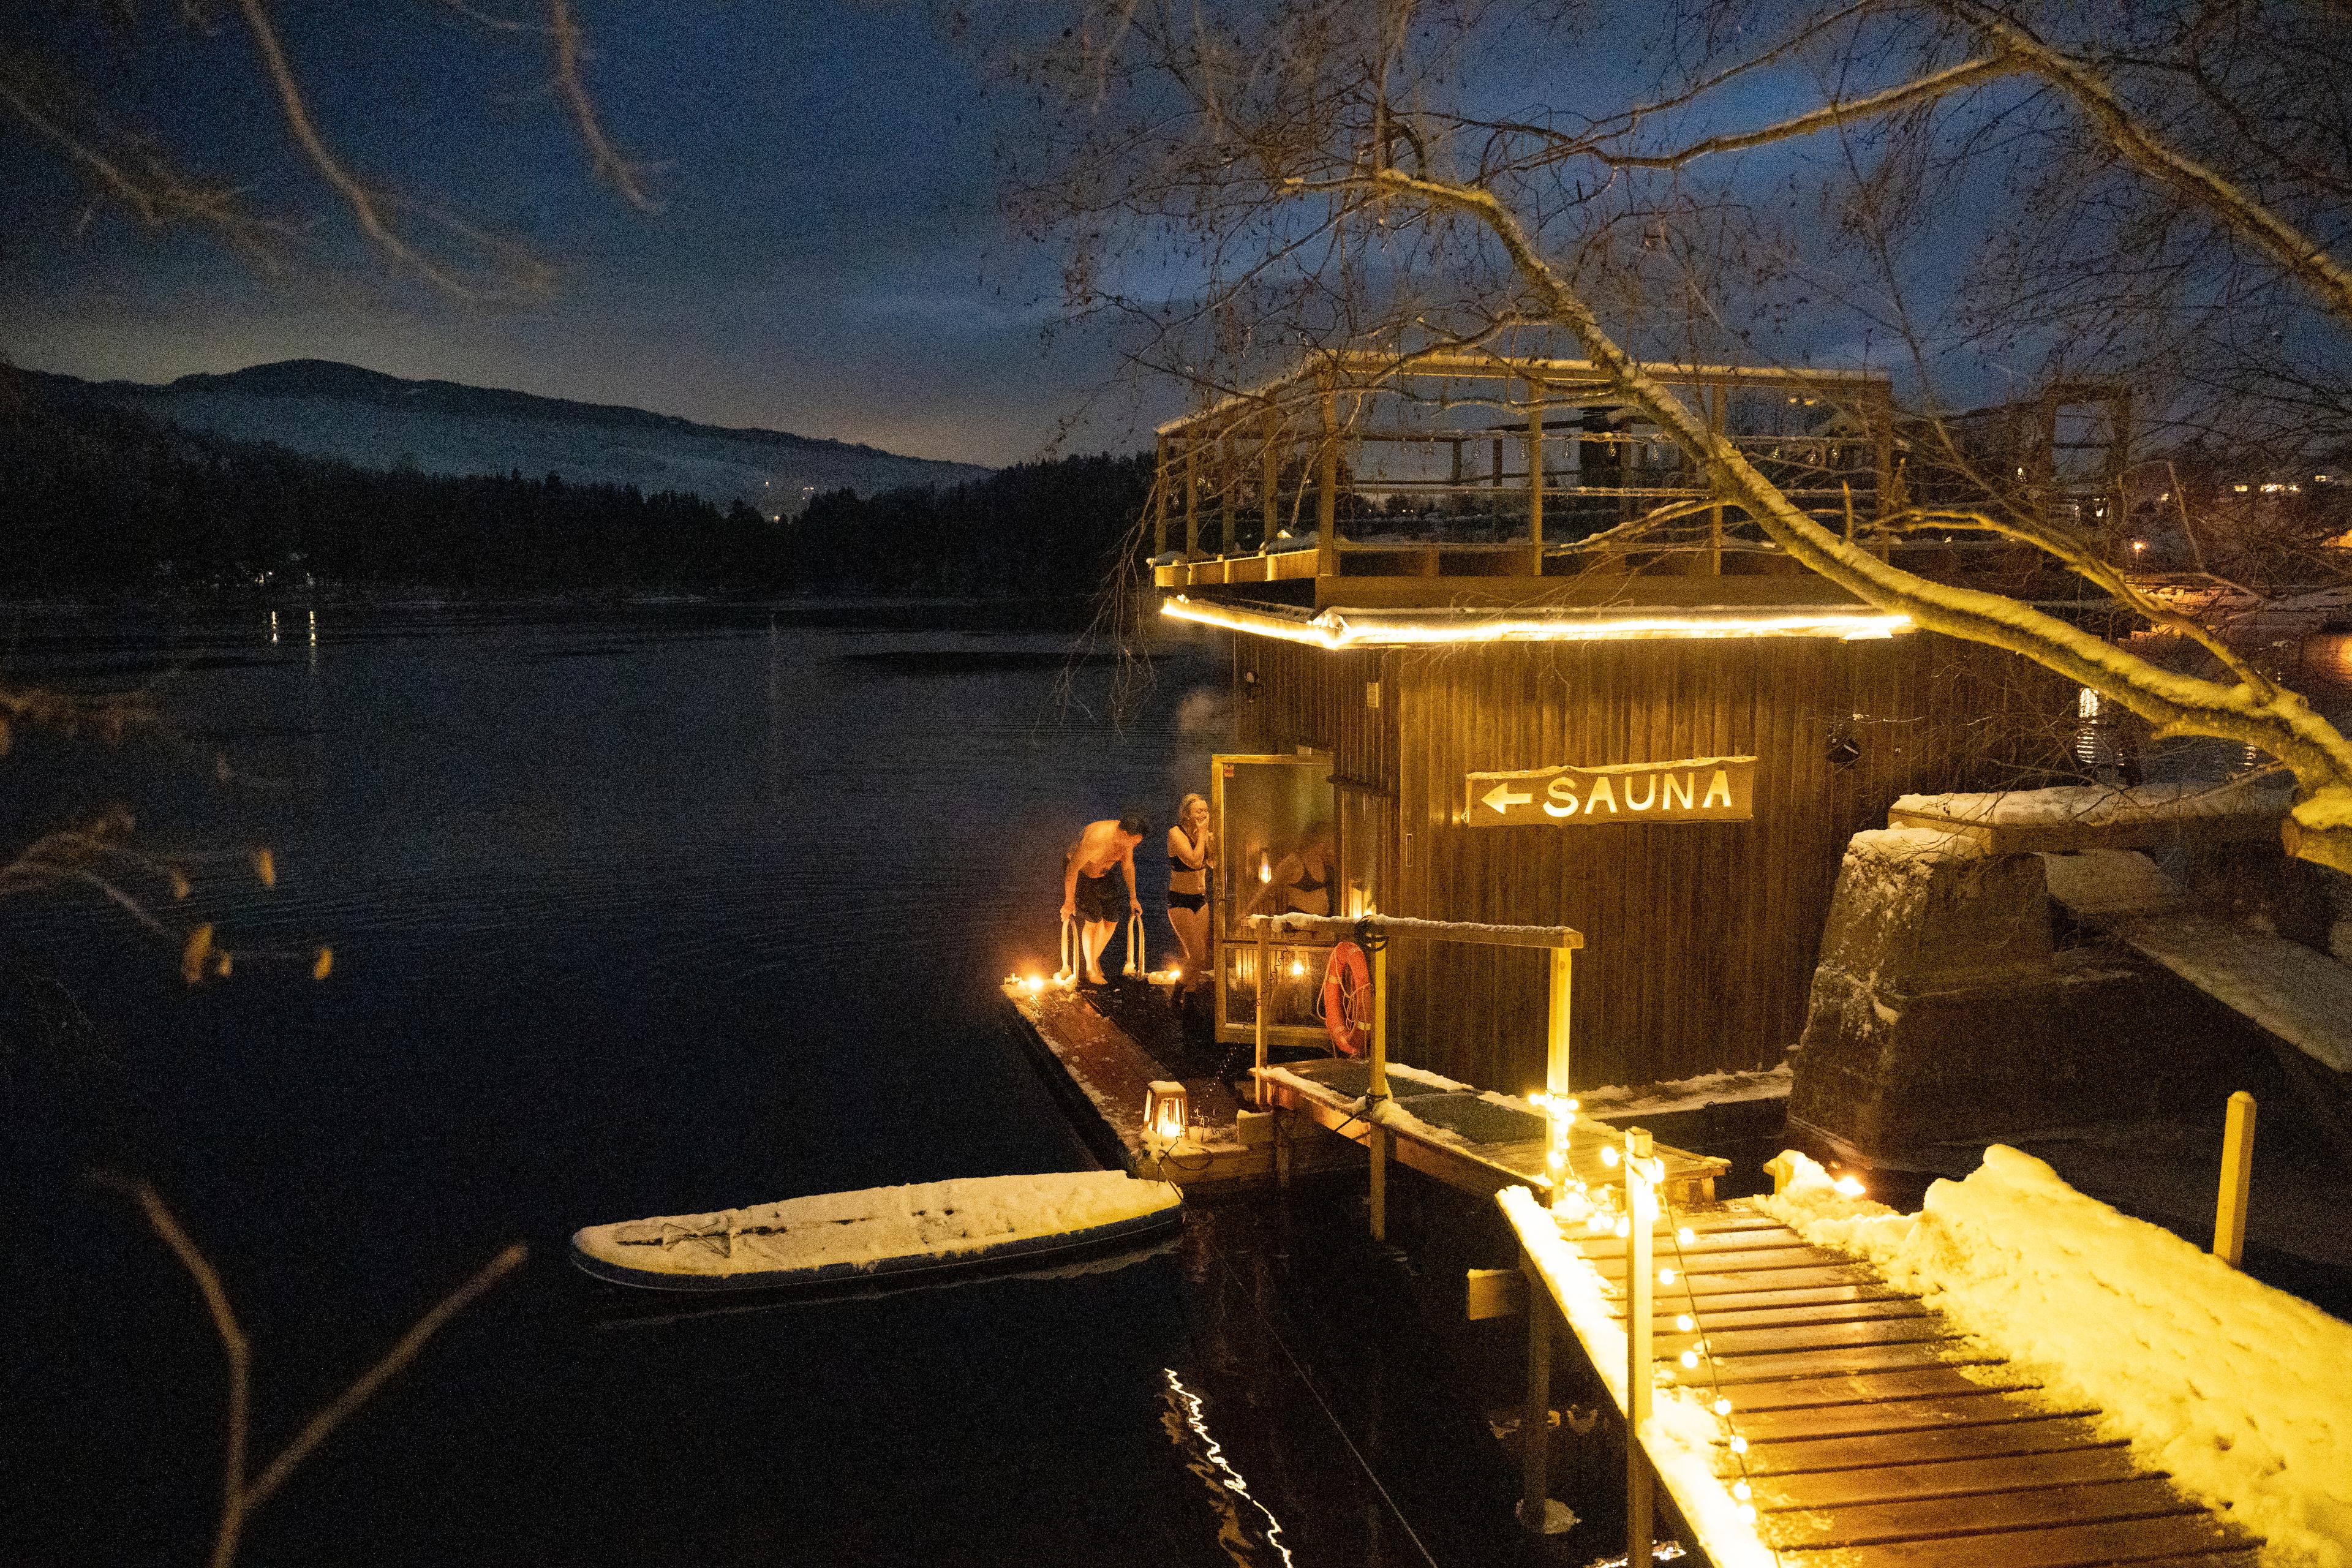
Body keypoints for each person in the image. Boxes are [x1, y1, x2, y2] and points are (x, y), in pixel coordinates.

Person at [1062, 815, 1148, 985]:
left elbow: (1128, 867)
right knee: (1093, 921)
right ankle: (1091, 969)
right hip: (1082, 875)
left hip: (1104, 875)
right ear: (1124, 834)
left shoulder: (1127, 841)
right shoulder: (1098, 837)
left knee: (1112, 919)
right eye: (1134, 842)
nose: (1134, 846)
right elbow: (1072, 869)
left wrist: (1133, 898)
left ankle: (1093, 959)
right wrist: (1069, 901)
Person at [1242, 820, 1336, 920]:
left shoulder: (1324, 862)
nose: (1330, 845)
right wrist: (1246, 912)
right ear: (1316, 840)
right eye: (1327, 840)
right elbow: (1268, 887)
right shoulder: (1293, 861)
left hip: (1323, 923)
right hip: (1299, 926)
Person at [1165, 793, 1214, 987]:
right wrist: (1202, 835)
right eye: (1198, 811)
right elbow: (1194, 862)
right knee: (1197, 954)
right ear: (1186, 814)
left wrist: (1211, 839)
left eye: (1205, 810)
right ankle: (1179, 991)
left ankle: (1190, 998)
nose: (1203, 815)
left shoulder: (1205, 835)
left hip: (1200, 899)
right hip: (1180, 900)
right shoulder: (1175, 833)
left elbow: (1212, 864)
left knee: (1197, 958)